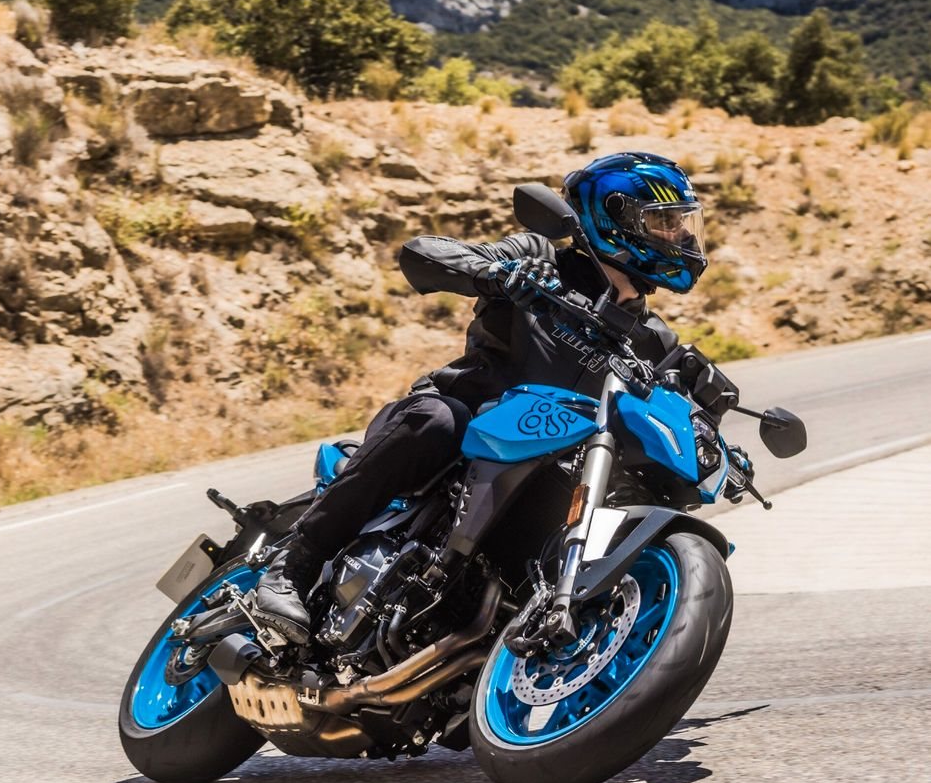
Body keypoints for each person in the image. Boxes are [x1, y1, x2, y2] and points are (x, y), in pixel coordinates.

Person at [252, 151, 709, 645]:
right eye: (664, 222)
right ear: (612, 218)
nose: (680, 237)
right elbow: (424, 253)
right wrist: (496, 275)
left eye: (682, 223)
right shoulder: (541, 259)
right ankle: (292, 565)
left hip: (542, 467)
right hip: (465, 430)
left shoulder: (654, 341)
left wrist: (709, 419)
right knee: (436, 420)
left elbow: (674, 414)